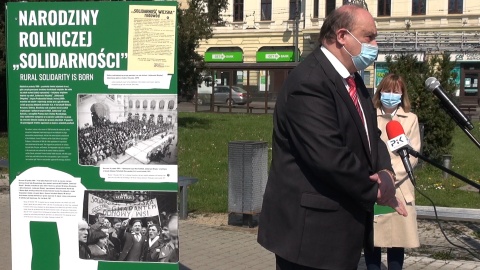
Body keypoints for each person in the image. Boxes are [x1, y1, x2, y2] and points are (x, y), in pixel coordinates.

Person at [257, 4, 407, 270]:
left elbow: (370, 134)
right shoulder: (310, 82)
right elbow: (328, 156)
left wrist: (385, 169)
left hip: (339, 234)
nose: (375, 44)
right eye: (369, 36)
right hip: (310, 237)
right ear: (342, 36)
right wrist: (378, 190)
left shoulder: (353, 80)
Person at [364, 73, 421, 270]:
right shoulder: (370, 116)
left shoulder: (410, 119)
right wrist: (378, 178)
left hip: (399, 188)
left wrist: (391, 176)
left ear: (402, 94)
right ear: (380, 92)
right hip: (375, 186)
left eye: (395, 92)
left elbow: (412, 155)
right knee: (374, 240)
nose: (390, 95)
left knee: (397, 240)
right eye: (387, 91)